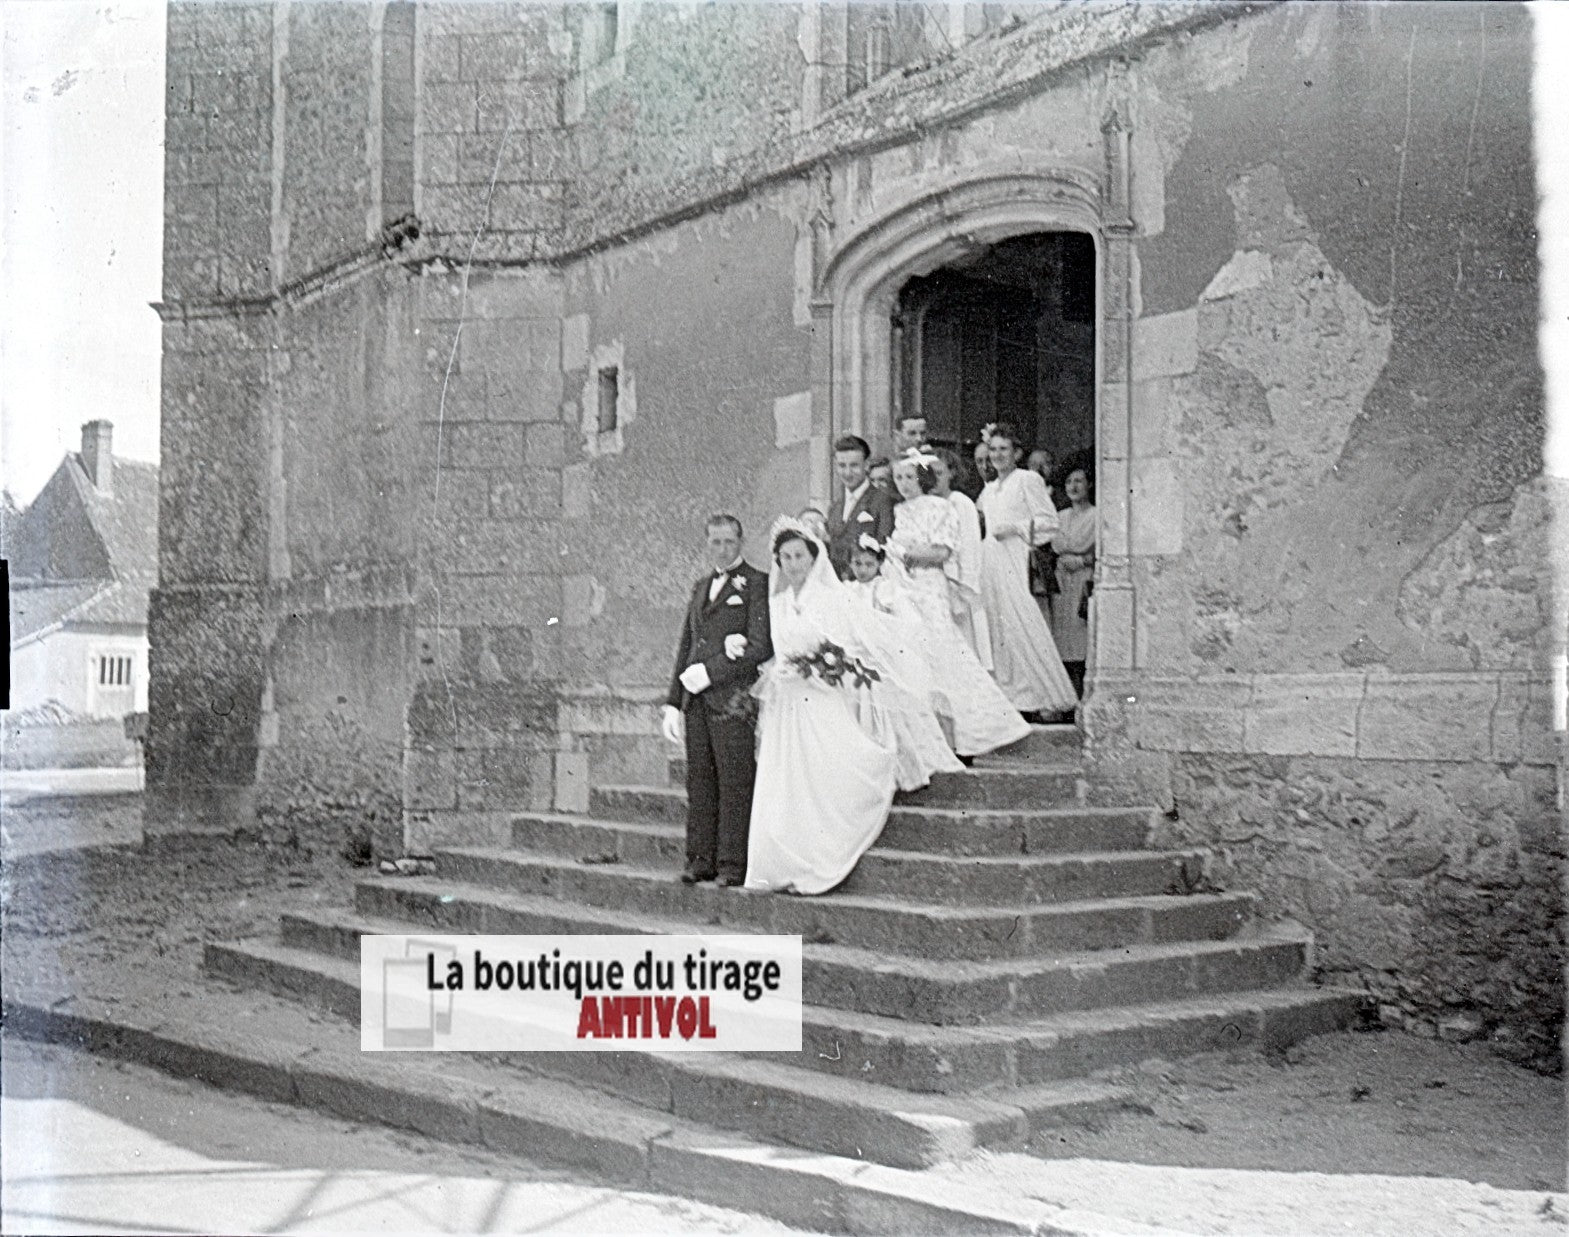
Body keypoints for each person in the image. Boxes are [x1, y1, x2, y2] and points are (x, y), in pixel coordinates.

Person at [745, 521, 898, 895]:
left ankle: (818, 860)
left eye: (799, 555)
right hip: (787, 705)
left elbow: (844, 649)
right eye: (786, 557)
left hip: (820, 696)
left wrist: (817, 666)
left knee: (823, 778)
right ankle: (780, 865)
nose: (793, 563)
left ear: (813, 558)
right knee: (785, 785)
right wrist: (779, 669)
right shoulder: (777, 604)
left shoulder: (831, 599)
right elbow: (774, 650)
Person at [886, 454, 1031, 757]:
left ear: (923, 478)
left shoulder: (942, 507)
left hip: (929, 586)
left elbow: (941, 552)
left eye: (910, 478)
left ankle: (970, 733)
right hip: (903, 587)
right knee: (914, 656)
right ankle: (931, 739)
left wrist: (905, 554)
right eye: (899, 478)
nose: (904, 485)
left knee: (944, 654)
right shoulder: (898, 510)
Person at [662, 515, 773, 886]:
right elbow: (687, 644)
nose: (722, 549)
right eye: (715, 542)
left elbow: (760, 645)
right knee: (701, 781)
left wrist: (713, 671)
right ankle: (700, 860)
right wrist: (674, 701)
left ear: (741, 542)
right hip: (696, 700)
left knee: (734, 780)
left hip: (732, 698)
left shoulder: (756, 584)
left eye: (729, 541)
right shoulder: (700, 586)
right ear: (707, 543)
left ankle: (732, 864)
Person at [845, 536, 965, 790]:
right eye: (857, 563)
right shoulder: (848, 590)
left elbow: (909, 622)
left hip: (883, 658)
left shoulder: (886, 589)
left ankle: (904, 769)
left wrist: (885, 638)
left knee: (893, 711)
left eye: (868, 563)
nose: (862, 569)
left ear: (879, 563)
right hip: (857, 659)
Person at [975, 424, 1077, 722]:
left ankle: (1047, 694)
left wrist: (1016, 529)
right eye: (992, 450)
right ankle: (1013, 694)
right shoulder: (990, 489)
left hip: (1015, 556)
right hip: (991, 559)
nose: (997, 456)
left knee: (1024, 621)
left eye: (1003, 449)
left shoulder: (1027, 480)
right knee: (998, 626)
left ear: (1016, 453)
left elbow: (1049, 522)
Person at [929, 447, 993, 671]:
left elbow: (970, 549)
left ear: (951, 473)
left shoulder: (961, 503)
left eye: (939, 473)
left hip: (958, 585)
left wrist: (965, 589)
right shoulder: (928, 503)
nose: (933, 479)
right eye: (928, 473)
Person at [1049, 467, 1096, 699]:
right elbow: (1054, 545)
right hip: (1062, 581)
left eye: (1079, 481)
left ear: (1089, 485)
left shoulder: (1097, 515)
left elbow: (1101, 552)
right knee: (1062, 635)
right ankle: (1065, 696)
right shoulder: (1060, 516)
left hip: (1083, 578)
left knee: (1081, 635)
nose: (1073, 487)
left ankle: (1082, 694)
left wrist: (1082, 560)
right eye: (1069, 482)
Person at [826, 434, 897, 578]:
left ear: (866, 465)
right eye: (842, 465)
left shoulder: (883, 501)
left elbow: (884, 548)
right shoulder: (835, 508)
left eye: (854, 465)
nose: (847, 472)